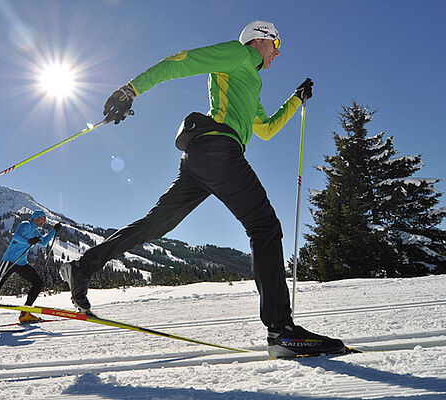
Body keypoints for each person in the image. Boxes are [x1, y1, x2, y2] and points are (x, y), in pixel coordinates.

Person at [60, 21, 345, 357]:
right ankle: (281, 330)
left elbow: (266, 129)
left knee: (157, 224)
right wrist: (130, 90)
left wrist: (296, 100)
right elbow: (182, 61)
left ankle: (82, 268)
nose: (277, 52)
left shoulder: (250, 81)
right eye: (275, 43)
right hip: (218, 151)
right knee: (264, 226)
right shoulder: (237, 54)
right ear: (259, 40)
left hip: (202, 159)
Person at [0, 210, 61, 329]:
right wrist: (29, 241)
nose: (44, 221)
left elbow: (44, 243)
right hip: (9, 261)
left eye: (45, 219)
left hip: (22, 263)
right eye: (43, 219)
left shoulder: (36, 232)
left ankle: (25, 313)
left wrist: (54, 231)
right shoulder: (25, 225)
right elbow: (16, 237)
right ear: (37, 218)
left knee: (38, 283)